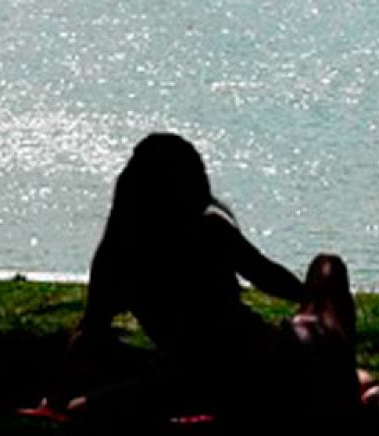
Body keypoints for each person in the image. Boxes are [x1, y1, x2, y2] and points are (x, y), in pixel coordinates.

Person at [48, 133, 362, 430]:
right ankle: (344, 384)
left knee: (83, 409)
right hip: (253, 366)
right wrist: (306, 297)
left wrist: (55, 400)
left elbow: (90, 332)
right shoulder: (210, 230)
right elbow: (267, 276)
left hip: (205, 378)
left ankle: (334, 381)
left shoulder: (117, 253)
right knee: (327, 270)